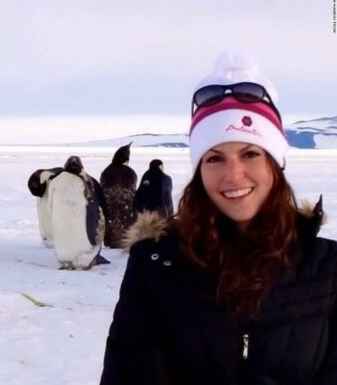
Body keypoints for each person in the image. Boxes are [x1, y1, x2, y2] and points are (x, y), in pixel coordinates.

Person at [100, 52, 337, 385]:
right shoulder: (155, 264)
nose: (233, 174)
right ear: (199, 171)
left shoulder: (326, 266)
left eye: (250, 153)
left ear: (275, 164)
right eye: (214, 158)